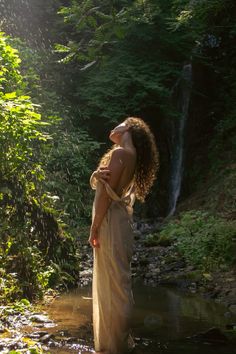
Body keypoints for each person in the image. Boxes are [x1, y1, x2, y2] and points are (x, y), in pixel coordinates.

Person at [88, 117, 159, 354]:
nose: (114, 127)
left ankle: (113, 346)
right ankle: (119, 343)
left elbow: (105, 196)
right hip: (121, 223)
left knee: (113, 285)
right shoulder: (131, 155)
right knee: (120, 284)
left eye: (120, 123)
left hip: (110, 222)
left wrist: (94, 228)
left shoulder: (119, 153)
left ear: (128, 128)